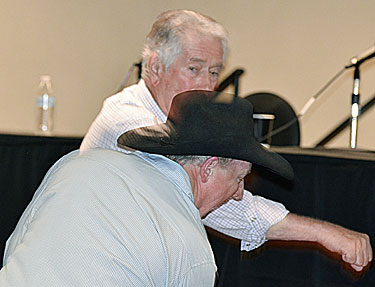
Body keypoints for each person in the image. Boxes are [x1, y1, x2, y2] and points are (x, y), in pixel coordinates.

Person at [80, 9, 372, 273]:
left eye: (214, 72)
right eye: (194, 69)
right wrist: (324, 234)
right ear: (155, 68)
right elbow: (220, 202)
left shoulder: (177, 123)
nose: (207, 86)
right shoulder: (129, 122)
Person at [0, 91, 294, 286]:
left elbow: (14, 250)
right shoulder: (193, 253)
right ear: (207, 169)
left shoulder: (77, 164)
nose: (239, 193)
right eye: (239, 179)